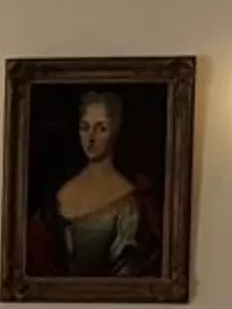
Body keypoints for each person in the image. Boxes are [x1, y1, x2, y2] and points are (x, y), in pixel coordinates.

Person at [37, 90, 154, 277]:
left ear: (115, 129)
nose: (90, 139)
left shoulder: (128, 200)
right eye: (85, 127)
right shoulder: (60, 191)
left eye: (101, 128)